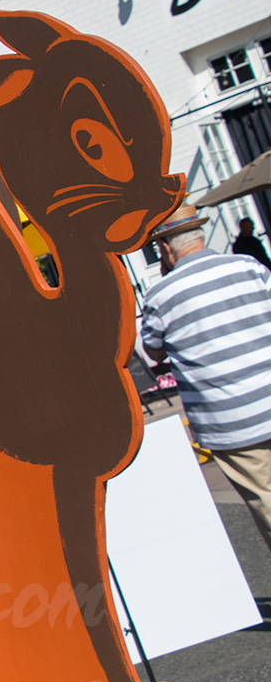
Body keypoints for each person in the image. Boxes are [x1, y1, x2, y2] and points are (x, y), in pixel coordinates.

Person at [142, 204, 271, 555]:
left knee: (268, 506)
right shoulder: (249, 267)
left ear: (166, 249)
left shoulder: (161, 296)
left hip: (231, 423)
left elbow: (152, 352)